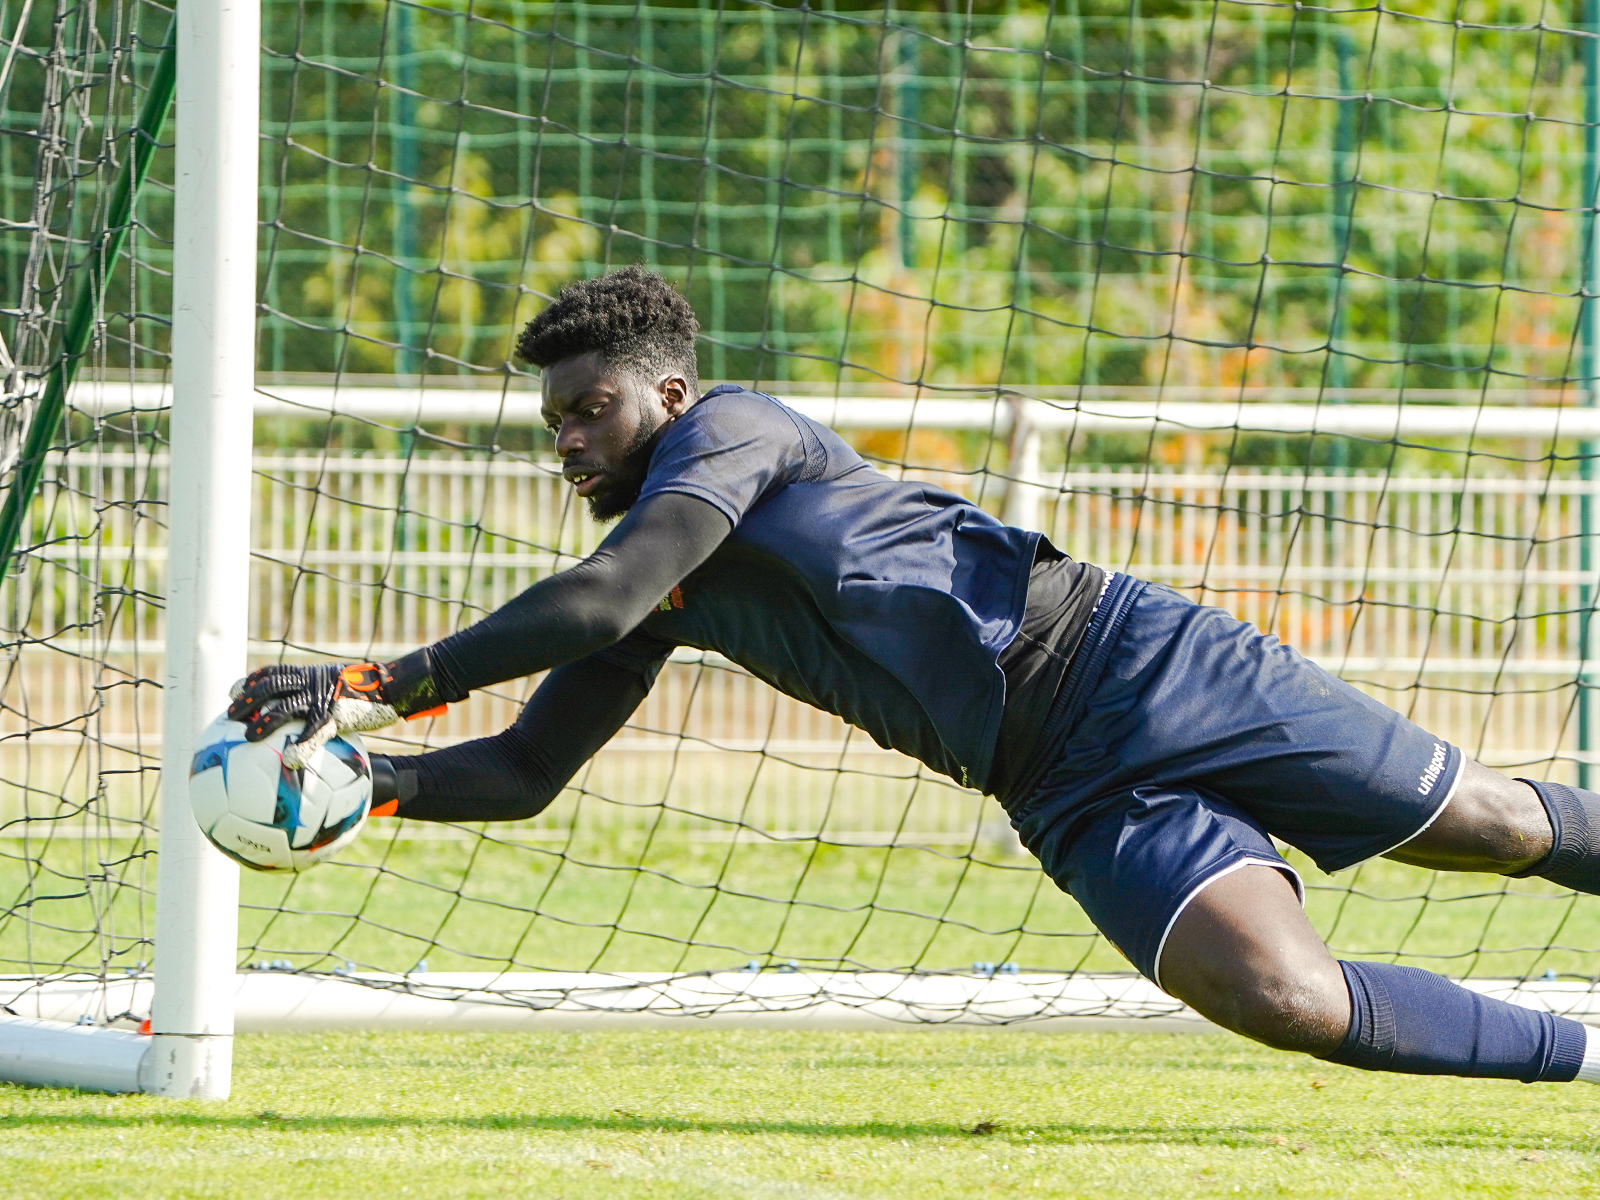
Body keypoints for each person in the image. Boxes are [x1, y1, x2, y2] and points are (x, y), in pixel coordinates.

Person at [229, 265, 1600, 1085]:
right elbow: (529, 773)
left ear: (672, 398)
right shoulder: (648, 588)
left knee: (1494, 828)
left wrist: (364, 681)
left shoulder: (741, 437)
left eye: (592, 411)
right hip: (1056, 782)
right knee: (1280, 999)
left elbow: (601, 595)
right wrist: (364, 788)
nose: (571, 445)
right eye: (555, 427)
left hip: (1136, 660)